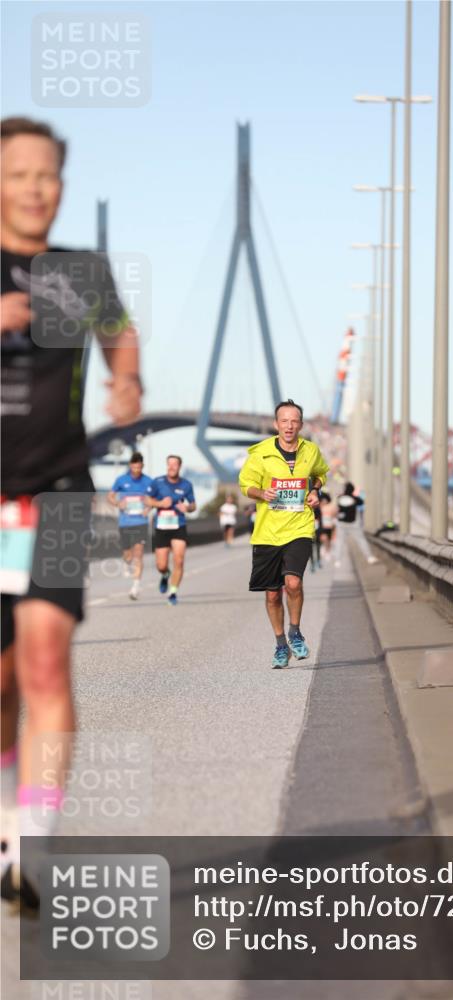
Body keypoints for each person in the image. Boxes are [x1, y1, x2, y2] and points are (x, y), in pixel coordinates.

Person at [0, 117, 142, 902]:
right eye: (18, 173)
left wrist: (128, 382)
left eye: (47, 175)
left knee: (46, 659)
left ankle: (36, 845)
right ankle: (5, 824)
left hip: (57, 493)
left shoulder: (78, 273)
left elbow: (120, 336)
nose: (34, 188)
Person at [239, 399, 328, 668]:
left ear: (300, 424)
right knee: (272, 594)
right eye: (284, 421)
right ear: (276, 424)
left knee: (293, 584)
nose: (289, 426)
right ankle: (281, 645)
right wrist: (261, 493)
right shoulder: (260, 453)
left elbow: (321, 475)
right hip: (267, 532)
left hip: (299, 526)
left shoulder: (310, 451)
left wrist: (315, 491)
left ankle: (295, 632)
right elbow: (246, 485)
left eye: (294, 421)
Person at [146, 455, 196, 605]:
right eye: (169, 464)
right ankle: (165, 574)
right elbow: (146, 499)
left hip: (178, 525)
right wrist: (160, 503)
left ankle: (173, 592)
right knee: (161, 565)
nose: (171, 467)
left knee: (179, 560)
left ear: (179, 467)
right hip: (161, 526)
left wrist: (187, 507)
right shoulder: (158, 482)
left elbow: (194, 505)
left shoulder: (186, 484)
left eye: (175, 464)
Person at [107, 452, 154, 599]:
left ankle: (135, 587)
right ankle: (126, 563)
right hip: (125, 522)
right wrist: (117, 503)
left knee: (138, 554)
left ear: (142, 466)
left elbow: (154, 499)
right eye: (134, 467)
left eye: (139, 468)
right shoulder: (121, 480)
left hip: (141, 522)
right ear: (130, 466)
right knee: (127, 554)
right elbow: (110, 496)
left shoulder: (148, 481)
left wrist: (149, 507)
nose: (136, 471)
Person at [334, 482, 365, 567]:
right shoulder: (355, 498)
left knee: (339, 542)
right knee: (361, 540)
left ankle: (337, 560)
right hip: (352, 523)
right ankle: (369, 557)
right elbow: (361, 502)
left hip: (342, 523)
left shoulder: (340, 497)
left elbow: (338, 506)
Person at [319, 490, 337, 561]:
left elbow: (334, 515)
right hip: (322, 525)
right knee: (324, 538)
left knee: (328, 539)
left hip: (329, 525)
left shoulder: (331, 506)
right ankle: (325, 549)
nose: (324, 501)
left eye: (325, 500)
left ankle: (328, 551)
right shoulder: (319, 507)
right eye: (323, 500)